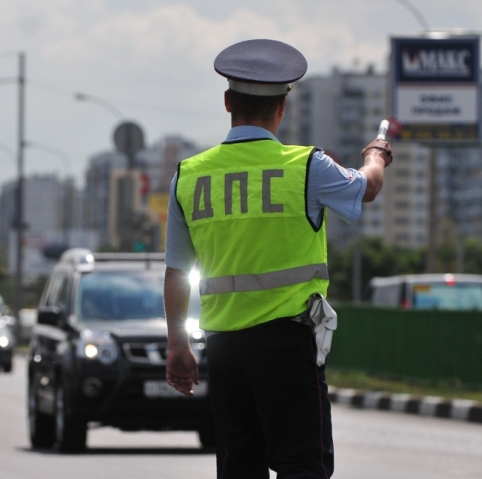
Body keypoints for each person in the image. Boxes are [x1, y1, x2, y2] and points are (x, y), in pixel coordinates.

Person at [163, 39, 392, 478]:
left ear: (228, 101)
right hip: (288, 346)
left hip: (224, 347)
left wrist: (178, 345)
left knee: (238, 467)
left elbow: (176, 271)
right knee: (301, 465)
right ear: (283, 106)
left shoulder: (189, 176)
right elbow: (368, 187)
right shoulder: (307, 166)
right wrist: (375, 156)